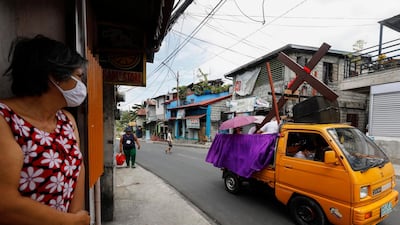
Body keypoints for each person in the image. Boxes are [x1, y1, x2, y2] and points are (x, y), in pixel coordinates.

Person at [0, 35, 90, 224]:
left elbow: (77, 168)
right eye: (79, 76)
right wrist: (68, 222)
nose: (82, 86)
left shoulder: (67, 120)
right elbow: (5, 204)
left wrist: (74, 216)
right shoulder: (5, 120)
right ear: (54, 76)